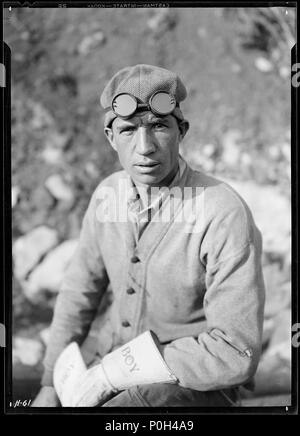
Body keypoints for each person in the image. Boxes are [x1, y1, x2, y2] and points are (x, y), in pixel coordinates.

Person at [32, 64, 265, 407]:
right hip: (106, 367)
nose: (145, 147)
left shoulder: (222, 211)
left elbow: (236, 350)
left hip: (190, 386)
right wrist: (50, 381)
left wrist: (114, 374)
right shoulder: (106, 196)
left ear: (181, 131)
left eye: (158, 127)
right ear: (111, 138)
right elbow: (78, 292)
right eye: (128, 130)